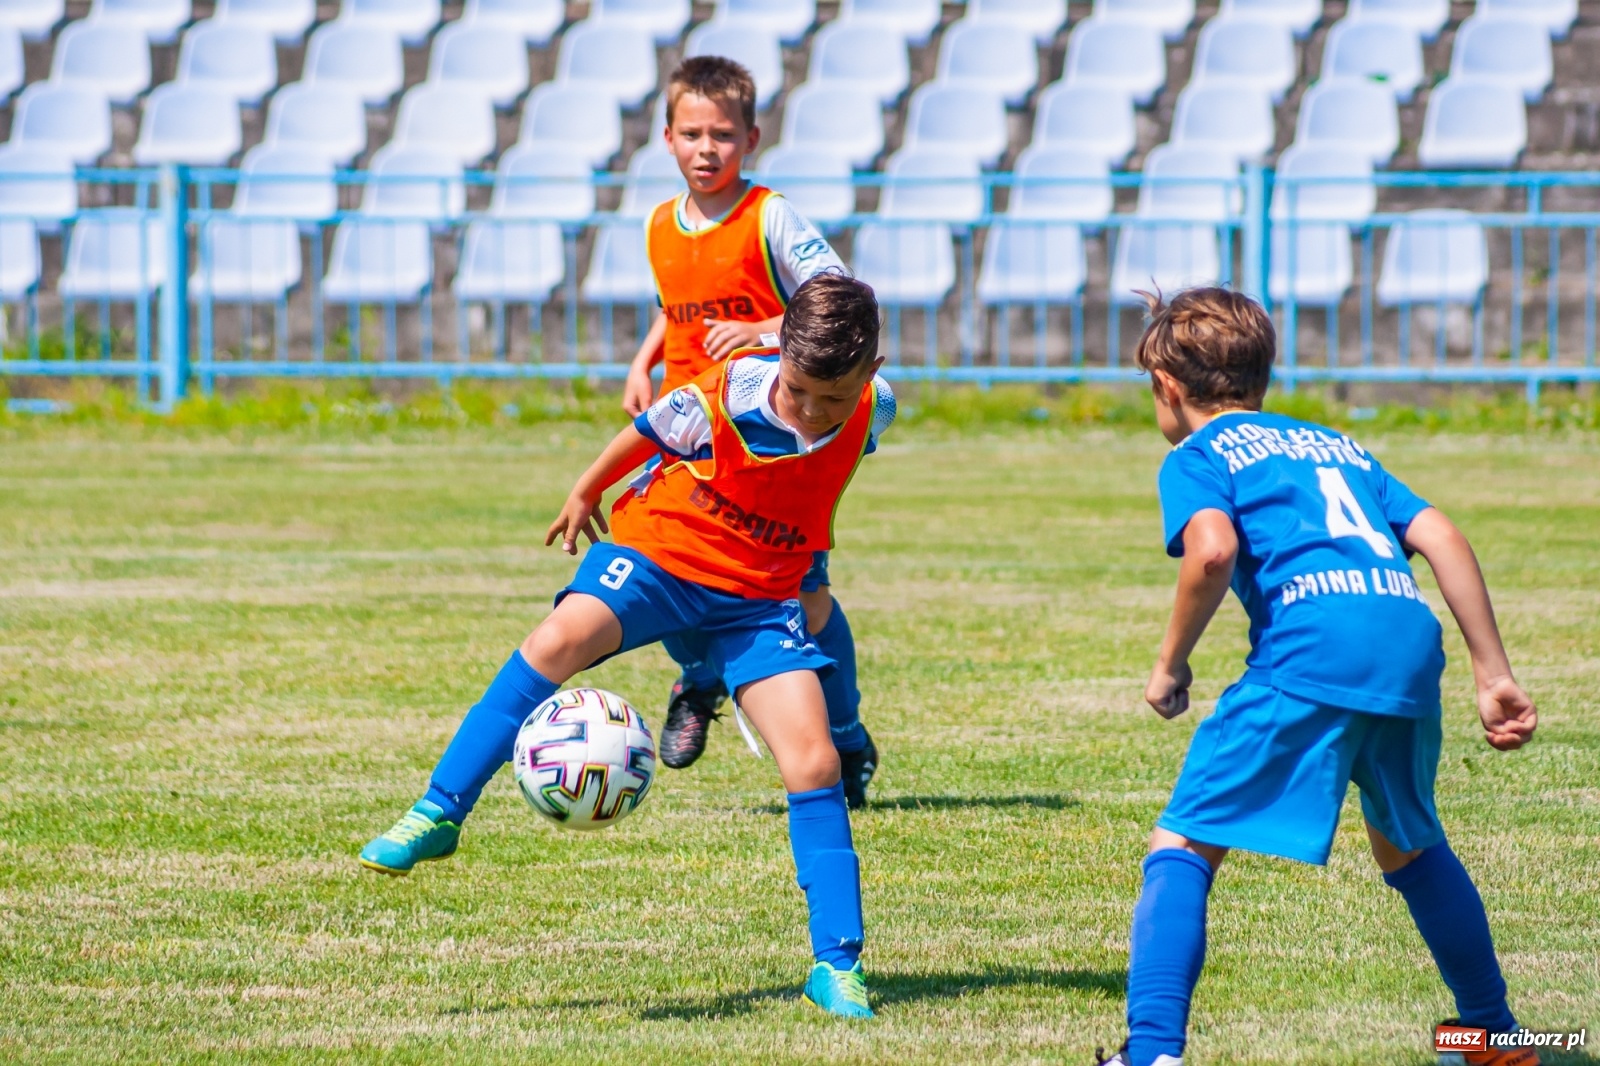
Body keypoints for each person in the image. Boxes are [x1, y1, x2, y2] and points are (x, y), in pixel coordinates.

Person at [360, 273, 893, 1019]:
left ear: (869, 375)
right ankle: (438, 811)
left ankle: (836, 965)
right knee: (558, 638)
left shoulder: (877, 407)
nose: (809, 411)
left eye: (830, 400)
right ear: (781, 359)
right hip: (661, 557)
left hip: (758, 601)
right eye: (797, 391)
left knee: (813, 762)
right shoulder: (722, 395)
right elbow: (642, 436)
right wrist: (584, 492)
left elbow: (817, 476)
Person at [1096, 288, 1540, 1066]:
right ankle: (1496, 1036)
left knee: (1183, 841)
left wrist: (1170, 665)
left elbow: (1211, 551)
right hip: (1405, 645)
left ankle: (1152, 1053)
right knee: (1410, 844)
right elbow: (1439, 532)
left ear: (1166, 388)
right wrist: (1491, 671)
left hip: (1311, 649)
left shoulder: (1195, 456)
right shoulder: (1335, 444)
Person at [619, 56, 879, 806]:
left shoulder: (769, 217)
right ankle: (699, 682)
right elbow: (676, 308)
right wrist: (645, 361)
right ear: (667, 139)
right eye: (693, 134)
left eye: (723, 135)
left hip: (771, 438)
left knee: (809, 601)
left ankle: (847, 735)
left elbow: (839, 295)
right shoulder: (661, 225)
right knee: (651, 561)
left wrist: (764, 328)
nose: (708, 149)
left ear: (751, 138)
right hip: (689, 436)